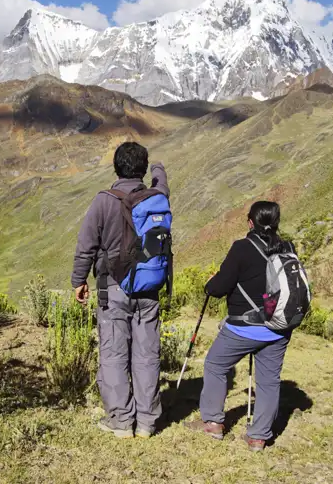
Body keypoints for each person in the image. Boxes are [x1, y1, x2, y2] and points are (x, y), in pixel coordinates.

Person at [72, 141, 169, 439]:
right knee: (146, 354)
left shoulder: (104, 201)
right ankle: (147, 422)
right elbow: (163, 182)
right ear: (142, 169)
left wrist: (79, 281)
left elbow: (86, 246)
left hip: (111, 287)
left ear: (116, 167)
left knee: (114, 354)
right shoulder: (157, 196)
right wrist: (159, 168)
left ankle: (121, 421)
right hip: (149, 288)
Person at [185, 201, 294, 452]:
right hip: (278, 328)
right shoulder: (287, 247)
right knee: (269, 381)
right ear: (276, 222)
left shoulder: (242, 248)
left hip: (244, 327)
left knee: (215, 365)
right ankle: (258, 437)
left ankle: (212, 422)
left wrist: (210, 284)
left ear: (250, 222)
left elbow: (219, 288)